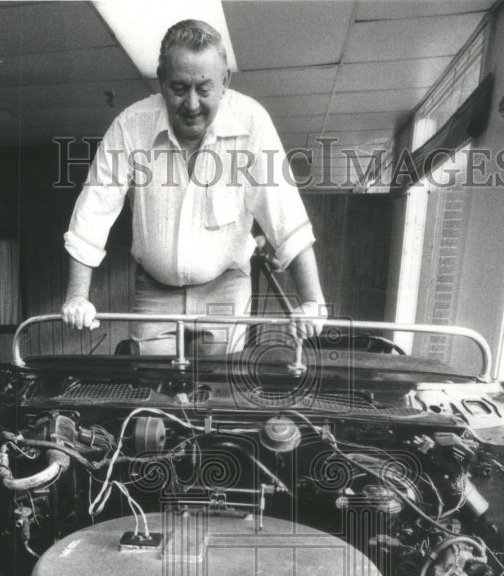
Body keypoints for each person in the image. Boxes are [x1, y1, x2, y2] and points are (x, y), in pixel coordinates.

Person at [61, 18, 327, 353]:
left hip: (226, 284)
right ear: (161, 81)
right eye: (178, 88)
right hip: (155, 288)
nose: (191, 105)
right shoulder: (130, 127)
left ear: (225, 82)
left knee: (216, 388)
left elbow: (285, 215)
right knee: (152, 388)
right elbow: (92, 214)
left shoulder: (252, 123)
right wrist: (77, 297)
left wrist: (313, 300)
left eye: (204, 89)